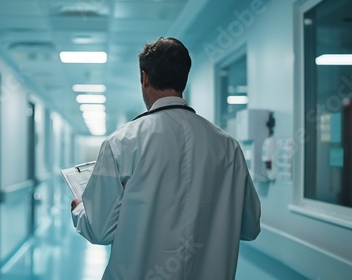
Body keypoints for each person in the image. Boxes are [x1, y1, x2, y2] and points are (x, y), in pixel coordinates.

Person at [70, 37, 261, 280]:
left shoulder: (122, 142)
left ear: (144, 78)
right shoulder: (228, 146)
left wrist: (79, 210)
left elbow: (99, 231)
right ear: (184, 78)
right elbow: (250, 226)